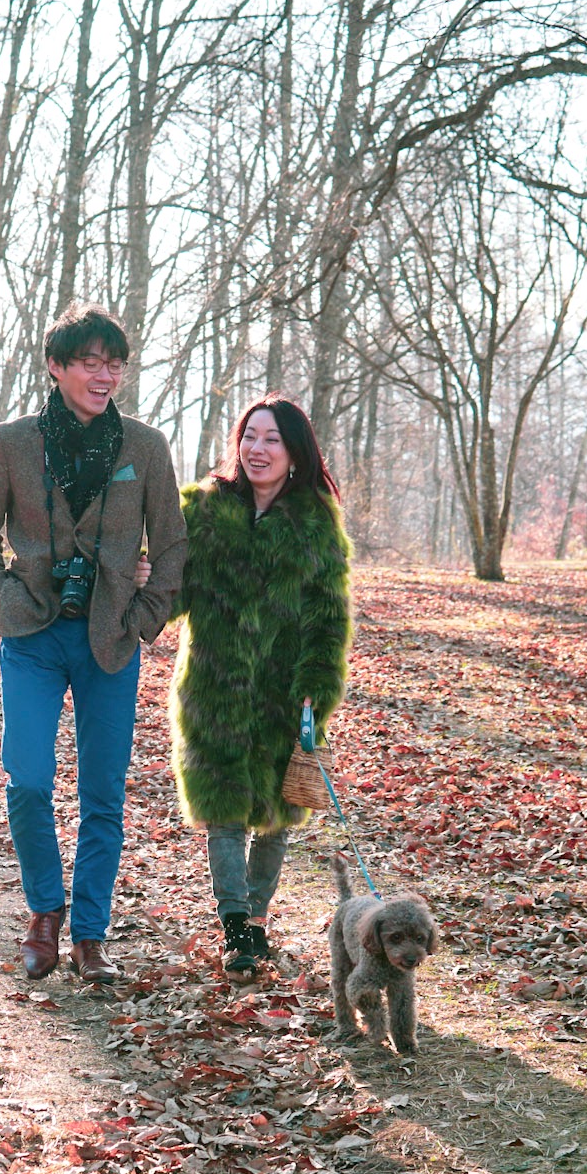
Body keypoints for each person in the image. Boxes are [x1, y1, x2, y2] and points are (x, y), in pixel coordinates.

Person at [0, 304, 188, 984]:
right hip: (31, 632)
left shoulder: (145, 447)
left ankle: (90, 935)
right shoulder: (13, 440)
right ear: (56, 366)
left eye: (114, 362)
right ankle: (43, 913)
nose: (104, 374)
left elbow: (172, 544)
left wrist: (146, 616)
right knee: (27, 779)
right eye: (89, 361)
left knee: (102, 794)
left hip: (110, 641)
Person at [170, 397, 352, 982]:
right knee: (223, 810)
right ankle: (237, 928)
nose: (257, 448)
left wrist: (315, 690)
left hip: (283, 692)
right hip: (214, 686)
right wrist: (149, 577)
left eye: (272, 439)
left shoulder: (316, 521)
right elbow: (176, 590)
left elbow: (328, 616)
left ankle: (259, 917)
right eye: (250, 435)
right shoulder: (203, 508)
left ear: (295, 451)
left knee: (274, 814)